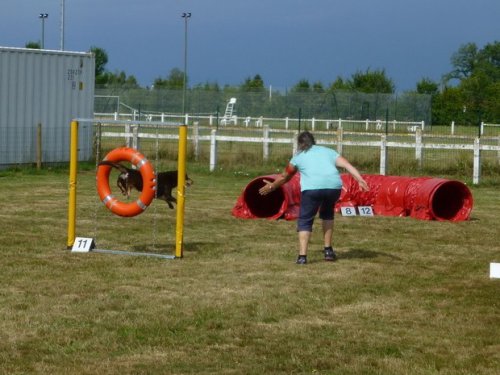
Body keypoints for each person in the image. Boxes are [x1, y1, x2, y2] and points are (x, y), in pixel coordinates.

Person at [259, 131, 369, 265]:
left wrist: (272, 186)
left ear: (300, 144)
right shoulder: (328, 151)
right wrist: (360, 179)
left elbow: (284, 177)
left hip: (312, 189)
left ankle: (302, 257)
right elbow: (347, 165)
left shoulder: (298, 157)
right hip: (333, 187)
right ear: (313, 141)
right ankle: (328, 250)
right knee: (327, 214)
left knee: (305, 219)